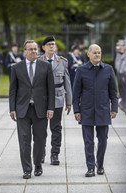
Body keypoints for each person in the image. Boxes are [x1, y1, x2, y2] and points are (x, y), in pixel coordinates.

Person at [9, 40, 55, 179]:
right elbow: (13, 90)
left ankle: (38, 165)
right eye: (30, 49)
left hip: (40, 109)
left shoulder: (45, 66)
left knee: (40, 140)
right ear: (25, 51)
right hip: (23, 109)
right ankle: (27, 169)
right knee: (24, 140)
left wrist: (51, 108)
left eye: (35, 49)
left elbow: (50, 89)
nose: (34, 51)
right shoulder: (16, 67)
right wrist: (12, 108)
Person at [72, 44, 118, 177]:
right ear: (89, 54)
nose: (97, 55)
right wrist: (77, 110)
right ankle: (90, 167)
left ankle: (100, 165)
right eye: (95, 53)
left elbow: (113, 93)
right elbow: (76, 93)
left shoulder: (108, 69)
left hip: (103, 110)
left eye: (99, 52)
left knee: (103, 140)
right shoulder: (81, 70)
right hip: (86, 111)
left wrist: (114, 108)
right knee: (88, 141)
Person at [39, 36, 72, 165]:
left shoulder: (62, 62)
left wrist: (69, 101)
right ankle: (40, 153)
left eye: (53, 44)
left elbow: (67, 82)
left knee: (56, 128)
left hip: (57, 98)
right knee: (40, 129)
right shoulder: (38, 61)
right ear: (43, 48)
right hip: (42, 99)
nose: (52, 46)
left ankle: (55, 154)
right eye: (49, 44)